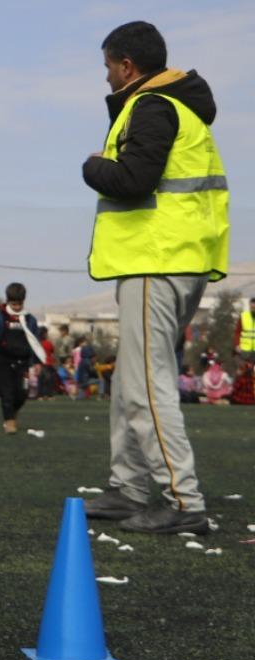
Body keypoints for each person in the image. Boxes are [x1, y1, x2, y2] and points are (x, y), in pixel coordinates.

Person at [82, 21, 227, 536]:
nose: (106, 79)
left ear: (127, 67)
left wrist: (93, 166)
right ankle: (129, 488)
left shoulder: (152, 106)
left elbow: (133, 179)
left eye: (108, 68)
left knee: (147, 384)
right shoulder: (179, 106)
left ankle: (182, 500)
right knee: (130, 381)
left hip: (155, 258)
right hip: (176, 257)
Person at [0, 283, 43, 433]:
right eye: (14, 304)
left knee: (22, 394)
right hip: (2, 361)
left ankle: (12, 413)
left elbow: (35, 342)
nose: (17, 307)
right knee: (6, 392)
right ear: (8, 301)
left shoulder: (29, 320)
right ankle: (9, 421)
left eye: (20, 304)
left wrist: (37, 362)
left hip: (23, 362)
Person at [234, 297, 255, 362]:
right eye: (252, 307)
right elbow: (237, 332)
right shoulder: (244, 316)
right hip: (244, 350)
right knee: (244, 369)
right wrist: (237, 345)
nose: (253, 308)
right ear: (249, 305)